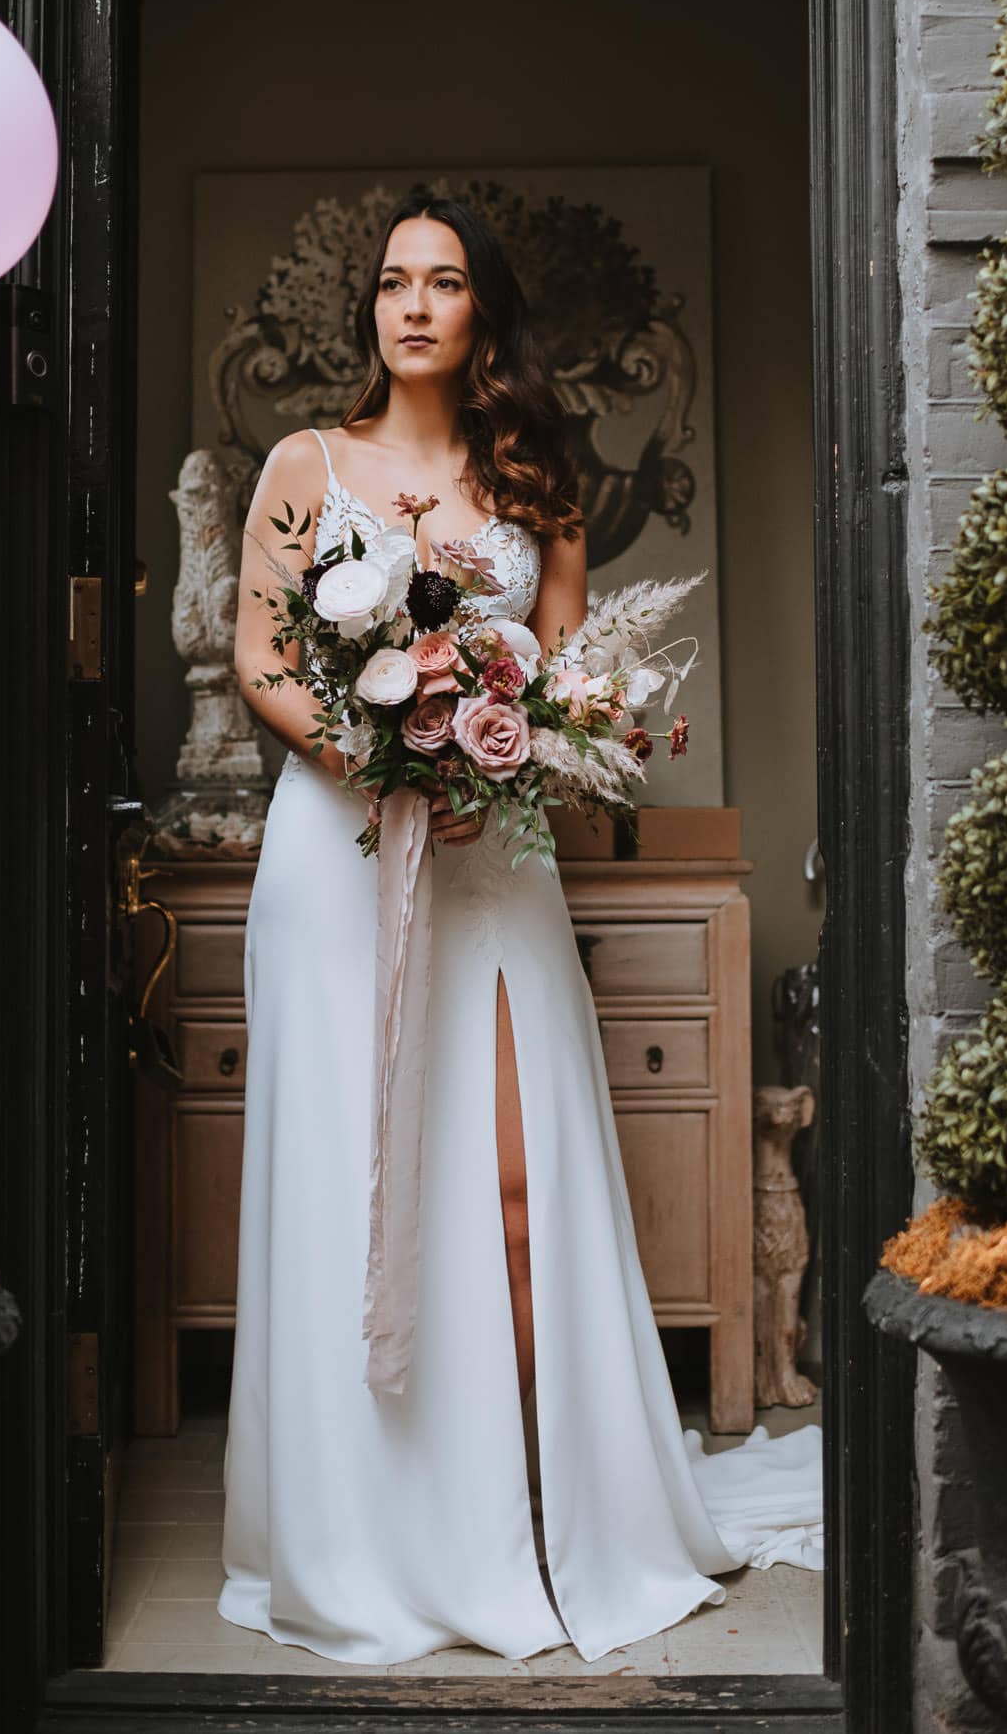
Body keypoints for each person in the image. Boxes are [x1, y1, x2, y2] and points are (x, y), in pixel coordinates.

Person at [218, 188, 821, 1667]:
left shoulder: (536, 474)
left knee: (508, 1177)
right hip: (336, 852)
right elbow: (256, 650)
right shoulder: (307, 464)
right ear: (370, 310)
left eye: (441, 282)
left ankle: (545, 1515)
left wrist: (521, 737)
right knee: (346, 1168)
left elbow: (569, 669)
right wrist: (372, 749)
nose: (411, 304)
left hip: (495, 853)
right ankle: (359, 1527)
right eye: (390, 282)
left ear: (482, 307)